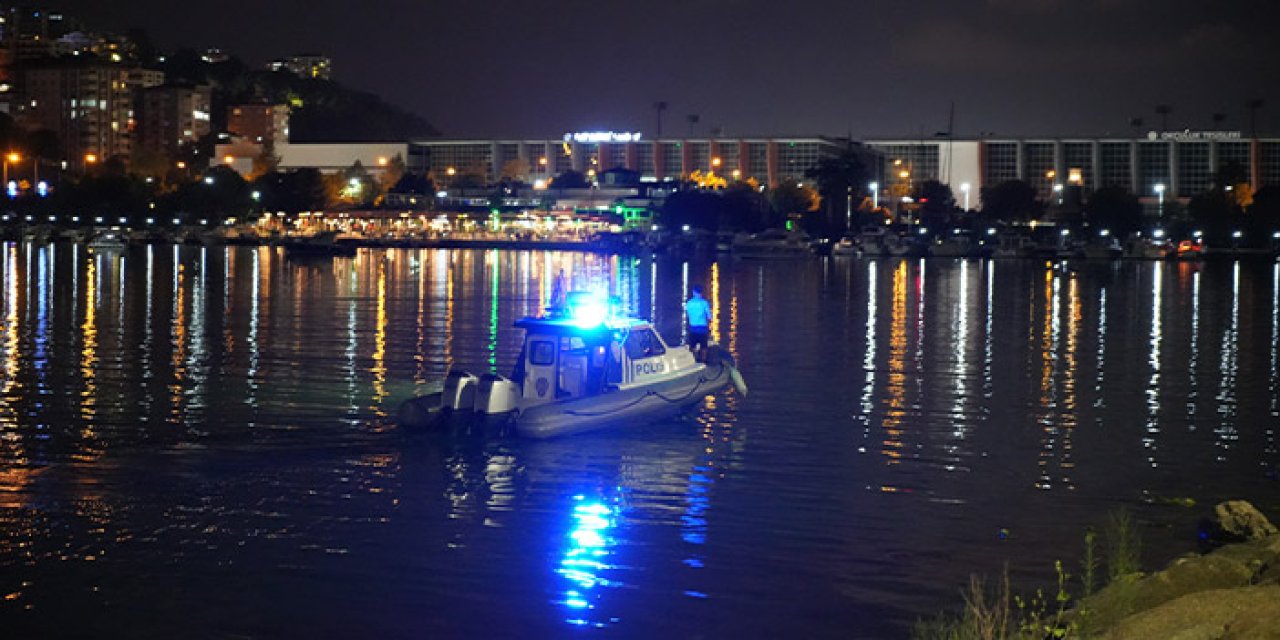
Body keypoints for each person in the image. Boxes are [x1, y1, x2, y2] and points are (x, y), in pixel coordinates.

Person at [685, 284, 711, 361]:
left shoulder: (689, 303)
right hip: (703, 328)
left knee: (692, 346)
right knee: (704, 346)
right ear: (701, 293)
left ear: (693, 292)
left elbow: (687, 314)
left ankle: (694, 360)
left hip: (693, 328)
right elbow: (709, 317)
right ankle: (704, 361)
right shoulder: (704, 303)